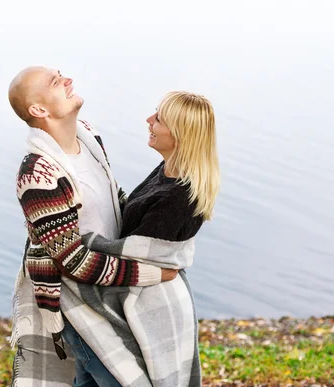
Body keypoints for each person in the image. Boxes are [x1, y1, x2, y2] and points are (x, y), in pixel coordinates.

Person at [7, 66, 178, 387]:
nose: (68, 80)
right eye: (56, 83)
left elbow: (115, 199)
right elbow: (74, 262)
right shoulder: (38, 174)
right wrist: (156, 273)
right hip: (78, 303)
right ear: (38, 110)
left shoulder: (88, 136)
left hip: (110, 293)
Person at [64, 91, 220, 387]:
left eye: (158, 118)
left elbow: (136, 257)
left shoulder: (178, 196)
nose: (149, 121)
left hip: (146, 304)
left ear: (180, 132)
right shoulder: (168, 171)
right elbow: (130, 213)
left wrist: (78, 243)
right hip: (135, 294)